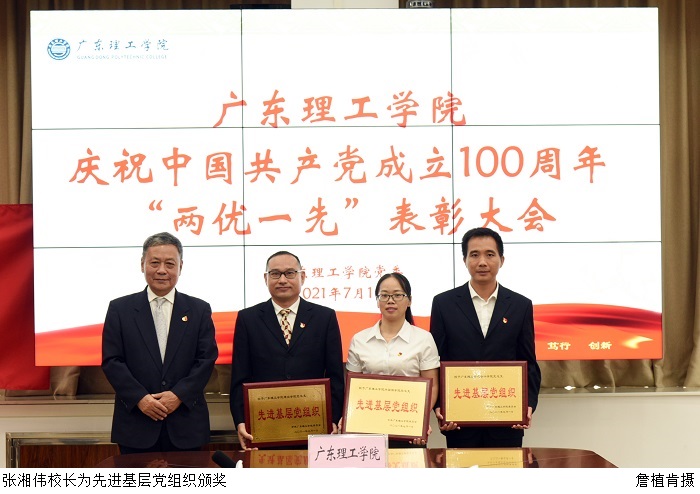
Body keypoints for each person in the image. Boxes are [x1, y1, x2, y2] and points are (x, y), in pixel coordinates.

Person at [101, 232, 218, 454]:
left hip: (186, 423)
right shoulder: (120, 309)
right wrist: (140, 399)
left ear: (180, 267)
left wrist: (179, 395)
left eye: (169, 264)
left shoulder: (199, 309)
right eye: (154, 263)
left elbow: (206, 359)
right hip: (136, 423)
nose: (162, 270)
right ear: (142, 264)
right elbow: (112, 361)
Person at [430, 227, 541, 448]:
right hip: (459, 419)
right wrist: (440, 405)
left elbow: (528, 361)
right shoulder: (443, 303)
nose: (482, 262)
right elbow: (436, 359)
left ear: (502, 260)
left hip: (506, 421)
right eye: (474, 254)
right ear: (464, 260)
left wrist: (527, 405)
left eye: (490, 254)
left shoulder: (520, 305)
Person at [229, 251, 345, 450]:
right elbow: (240, 375)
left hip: (314, 425)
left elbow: (335, 375)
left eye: (290, 273)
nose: (282, 280)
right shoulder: (248, 319)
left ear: (302, 277)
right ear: (265, 278)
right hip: (265, 426)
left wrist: (333, 419)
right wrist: (240, 420)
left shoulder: (324, 317)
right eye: (275, 274)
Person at [346, 273, 439, 447]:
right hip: (368, 427)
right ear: (377, 301)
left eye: (397, 295)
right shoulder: (359, 340)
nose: (390, 301)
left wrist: (421, 420)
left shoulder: (424, 339)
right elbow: (353, 388)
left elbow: (432, 385)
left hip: (409, 427)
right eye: (384, 295)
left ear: (409, 300)